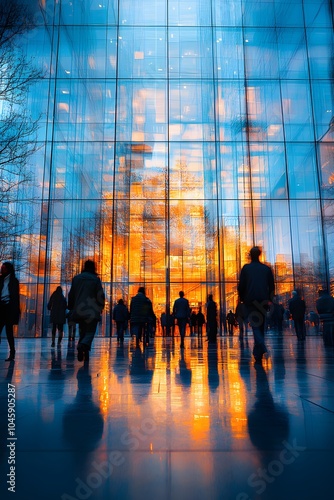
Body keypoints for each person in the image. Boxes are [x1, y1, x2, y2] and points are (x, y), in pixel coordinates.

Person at [238, 246, 275, 364]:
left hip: (251, 301)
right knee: (261, 325)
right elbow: (272, 286)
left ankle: (261, 346)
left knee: (255, 325)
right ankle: (257, 353)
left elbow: (241, 286)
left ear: (250, 255)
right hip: (263, 301)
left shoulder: (246, 268)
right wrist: (270, 299)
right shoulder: (266, 269)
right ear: (259, 254)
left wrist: (243, 298)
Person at [68, 260, 105, 362]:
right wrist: (101, 306)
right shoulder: (95, 280)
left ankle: (82, 347)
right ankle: (83, 345)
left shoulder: (76, 279)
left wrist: (71, 306)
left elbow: (71, 294)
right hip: (92, 309)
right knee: (90, 331)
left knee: (82, 330)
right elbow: (100, 295)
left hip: (79, 309)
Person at [0, 262, 20, 361]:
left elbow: (16, 297)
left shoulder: (14, 281)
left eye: (3, 268)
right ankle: (12, 352)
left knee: (9, 332)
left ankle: (12, 352)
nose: (2, 270)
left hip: (9, 308)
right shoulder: (1, 279)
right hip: (1, 307)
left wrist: (16, 311)